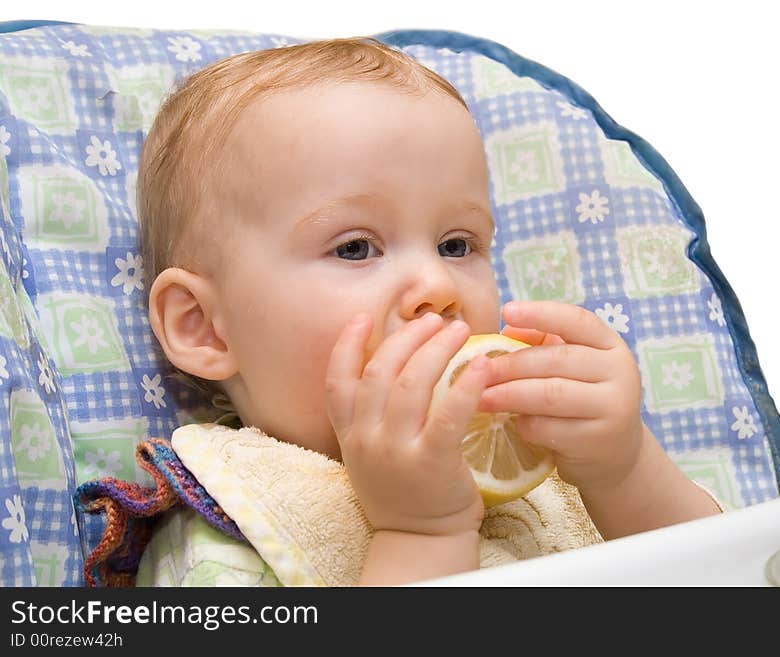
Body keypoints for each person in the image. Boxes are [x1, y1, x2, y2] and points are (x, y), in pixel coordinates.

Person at [84, 37, 722, 587]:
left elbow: (738, 586)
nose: (438, 283)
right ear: (204, 326)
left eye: (457, 244)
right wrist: (422, 532)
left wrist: (628, 471)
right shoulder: (228, 542)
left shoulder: (546, 464)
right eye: (356, 247)